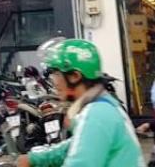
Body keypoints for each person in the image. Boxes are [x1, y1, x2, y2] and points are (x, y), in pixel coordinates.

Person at [17, 39, 144, 167]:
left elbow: (79, 162)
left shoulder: (97, 114)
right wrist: (35, 159)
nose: (53, 81)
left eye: (56, 74)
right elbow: (75, 146)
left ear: (74, 76)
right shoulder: (102, 103)